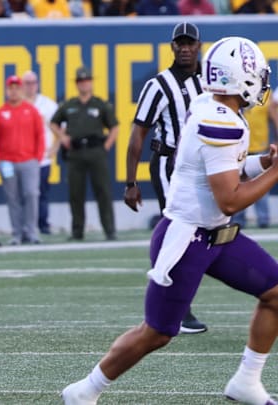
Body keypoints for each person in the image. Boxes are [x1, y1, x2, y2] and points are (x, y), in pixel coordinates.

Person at [62, 36, 278, 405]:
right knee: (158, 333)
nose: (261, 81)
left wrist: (263, 164)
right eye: (256, 74)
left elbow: (223, 169)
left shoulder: (211, 106)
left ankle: (246, 381)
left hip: (214, 237)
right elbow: (229, 199)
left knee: (276, 293)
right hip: (186, 239)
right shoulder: (221, 120)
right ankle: (85, 390)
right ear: (237, 77)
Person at [124, 22, 207, 334]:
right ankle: (178, 309)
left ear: (199, 46)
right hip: (168, 163)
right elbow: (137, 135)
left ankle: (177, 303)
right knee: (179, 230)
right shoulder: (158, 85)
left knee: (201, 233)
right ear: (172, 47)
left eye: (190, 43)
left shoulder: (208, 85)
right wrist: (131, 183)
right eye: (180, 43)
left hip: (200, 166)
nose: (185, 48)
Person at [51, 66, 118, 241]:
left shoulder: (100, 104)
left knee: (103, 191)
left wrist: (107, 146)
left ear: (91, 82)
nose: (84, 84)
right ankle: (77, 231)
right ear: (76, 84)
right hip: (76, 151)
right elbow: (53, 123)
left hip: (96, 150)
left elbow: (114, 126)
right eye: (81, 81)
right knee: (76, 193)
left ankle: (109, 230)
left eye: (86, 80)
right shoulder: (69, 105)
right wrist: (63, 137)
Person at [0, 75, 45, 245]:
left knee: (31, 194)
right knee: (13, 198)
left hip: (29, 161)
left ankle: (31, 231)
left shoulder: (31, 111)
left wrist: (38, 158)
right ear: (7, 91)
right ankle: (17, 233)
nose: (14, 91)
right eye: (11, 88)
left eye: (17, 88)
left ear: (22, 90)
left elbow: (40, 135)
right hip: (7, 162)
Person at [22, 70, 58, 235]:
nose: (30, 86)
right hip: (22, 157)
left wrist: (54, 148)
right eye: (27, 83)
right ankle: (26, 226)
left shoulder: (48, 105)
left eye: (33, 82)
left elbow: (60, 129)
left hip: (42, 157)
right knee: (25, 194)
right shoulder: (17, 104)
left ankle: (42, 223)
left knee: (41, 192)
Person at [233, 96, 272, 229]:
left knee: (261, 182)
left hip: (259, 144)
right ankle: (238, 219)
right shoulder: (233, 97)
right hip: (240, 146)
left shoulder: (266, 95)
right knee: (236, 181)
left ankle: (263, 218)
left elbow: (272, 114)